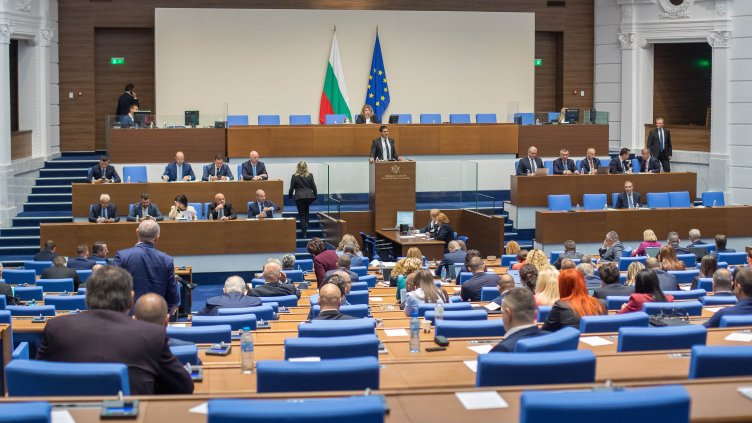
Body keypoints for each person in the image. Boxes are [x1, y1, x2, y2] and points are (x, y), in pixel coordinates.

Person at [37, 266, 193, 394]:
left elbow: (39, 379)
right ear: (131, 299)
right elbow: (183, 386)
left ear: (87, 298)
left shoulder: (56, 328)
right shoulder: (152, 335)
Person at [114, 220, 179, 313]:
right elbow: (173, 297)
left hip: (129, 316)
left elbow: (115, 290)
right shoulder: (166, 260)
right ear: (157, 237)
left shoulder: (122, 256)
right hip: (157, 315)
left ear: (137, 232)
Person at [542, 269, 606, 331]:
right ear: (583, 283)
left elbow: (545, 331)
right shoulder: (601, 303)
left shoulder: (560, 306)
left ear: (562, 286)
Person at [195, 276, 261, 316]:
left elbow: (196, 319)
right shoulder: (255, 302)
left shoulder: (212, 303)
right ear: (245, 291)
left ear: (224, 290)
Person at [288, 161, 317, 238]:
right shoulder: (310, 175)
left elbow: (291, 188)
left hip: (299, 197)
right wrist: (315, 197)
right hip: (309, 196)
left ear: (297, 167)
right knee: (306, 210)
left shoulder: (294, 176)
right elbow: (314, 187)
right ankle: (306, 223)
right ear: (306, 167)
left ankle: (304, 232)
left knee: (301, 214)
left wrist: (290, 196)